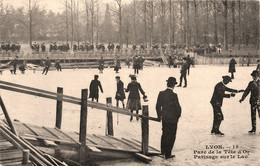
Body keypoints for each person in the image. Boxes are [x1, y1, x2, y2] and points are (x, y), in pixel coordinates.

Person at [156, 77, 181, 159]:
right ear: (173, 85)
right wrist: (177, 117)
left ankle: (162, 152)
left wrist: (159, 116)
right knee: (172, 135)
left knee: (164, 134)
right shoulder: (174, 95)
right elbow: (178, 108)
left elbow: (157, 106)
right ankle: (168, 154)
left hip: (165, 118)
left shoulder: (161, 93)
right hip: (173, 119)